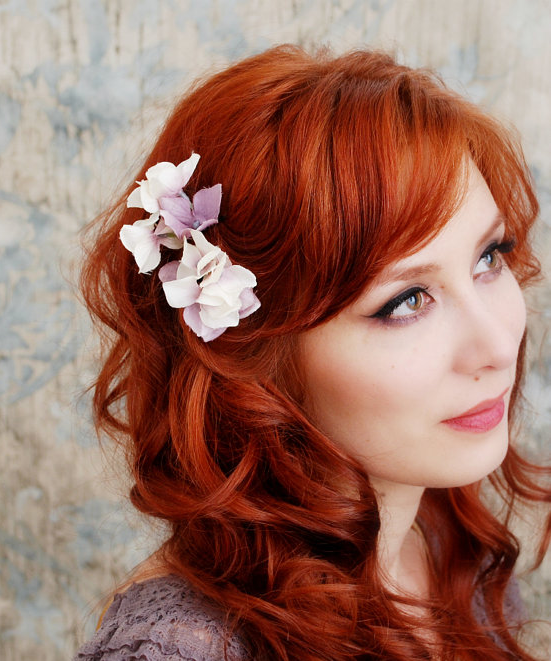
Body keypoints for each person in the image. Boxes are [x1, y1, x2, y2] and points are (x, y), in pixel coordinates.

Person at [73, 45, 551, 660]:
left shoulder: (440, 534)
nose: (496, 345)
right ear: (257, 358)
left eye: (489, 257)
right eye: (407, 300)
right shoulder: (186, 649)